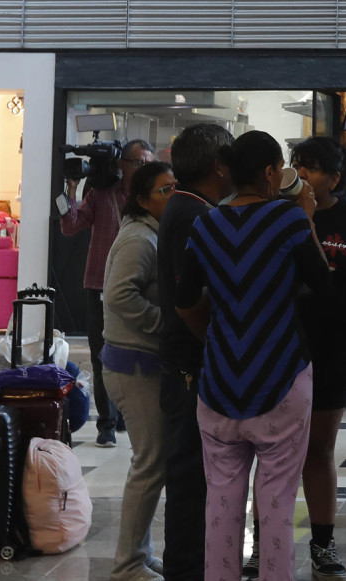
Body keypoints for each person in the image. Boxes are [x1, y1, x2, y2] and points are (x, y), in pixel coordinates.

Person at [175, 131, 331, 581]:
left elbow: (185, 300)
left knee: (220, 505)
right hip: (281, 379)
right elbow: (325, 290)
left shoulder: (205, 225)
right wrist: (307, 219)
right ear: (269, 173)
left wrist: (216, 337)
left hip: (219, 383)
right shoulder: (287, 219)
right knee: (277, 505)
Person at [291, 137, 346, 576]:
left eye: (312, 168)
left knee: (320, 449)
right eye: (297, 166)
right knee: (276, 452)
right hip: (281, 348)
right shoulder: (274, 215)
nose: (302, 175)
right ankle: (262, 541)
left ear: (336, 178)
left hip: (332, 345)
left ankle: (323, 544)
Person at [157, 123, 234, 581]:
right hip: (190, 360)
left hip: (186, 358)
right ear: (219, 166)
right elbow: (189, 300)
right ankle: (187, 570)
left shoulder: (186, 206)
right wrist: (217, 343)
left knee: (197, 474)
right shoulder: (194, 214)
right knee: (189, 476)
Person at [101, 161, 178, 581]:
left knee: (152, 460)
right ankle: (128, 563)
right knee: (151, 462)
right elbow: (118, 296)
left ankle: (139, 553)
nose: (173, 195)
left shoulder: (149, 232)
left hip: (140, 361)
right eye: (165, 190)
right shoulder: (138, 238)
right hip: (133, 363)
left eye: (175, 187)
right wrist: (161, 323)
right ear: (143, 199)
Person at [61, 138, 156, 447]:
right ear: (122, 164)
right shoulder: (101, 195)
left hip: (141, 287)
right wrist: (69, 192)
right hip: (100, 285)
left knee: (138, 351)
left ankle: (130, 416)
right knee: (102, 355)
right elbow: (70, 226)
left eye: (147, 162)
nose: (143, 168)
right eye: (138, 163)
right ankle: (107, 423)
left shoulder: (152, 198)